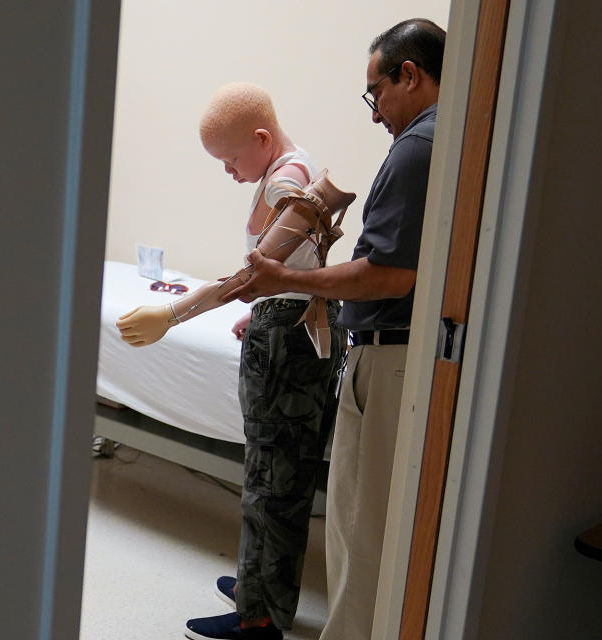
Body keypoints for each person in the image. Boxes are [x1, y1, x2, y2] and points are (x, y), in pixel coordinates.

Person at [222, 19, 446, 640]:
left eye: (375, 94)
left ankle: (276, 608)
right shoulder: (440, 142)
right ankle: (261, 588)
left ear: (410, 74)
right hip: (370, 344)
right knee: (342, 508)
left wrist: (281, 286)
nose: (374, 114)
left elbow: (388, 274)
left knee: (352, 520)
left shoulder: (417, 149)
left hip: (382, 352)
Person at [115, 82, 353, 640]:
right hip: (297, 325)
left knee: (269, 480)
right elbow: (289, 270)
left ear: (262, 138)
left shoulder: (287, 180)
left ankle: (258, 618)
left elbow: (248, 275)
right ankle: (262, 588)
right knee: (280, 475)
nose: (228, 172)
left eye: (229, 159)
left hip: (289, 344)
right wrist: (269, 305)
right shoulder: (292, 169)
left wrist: (171, 314)